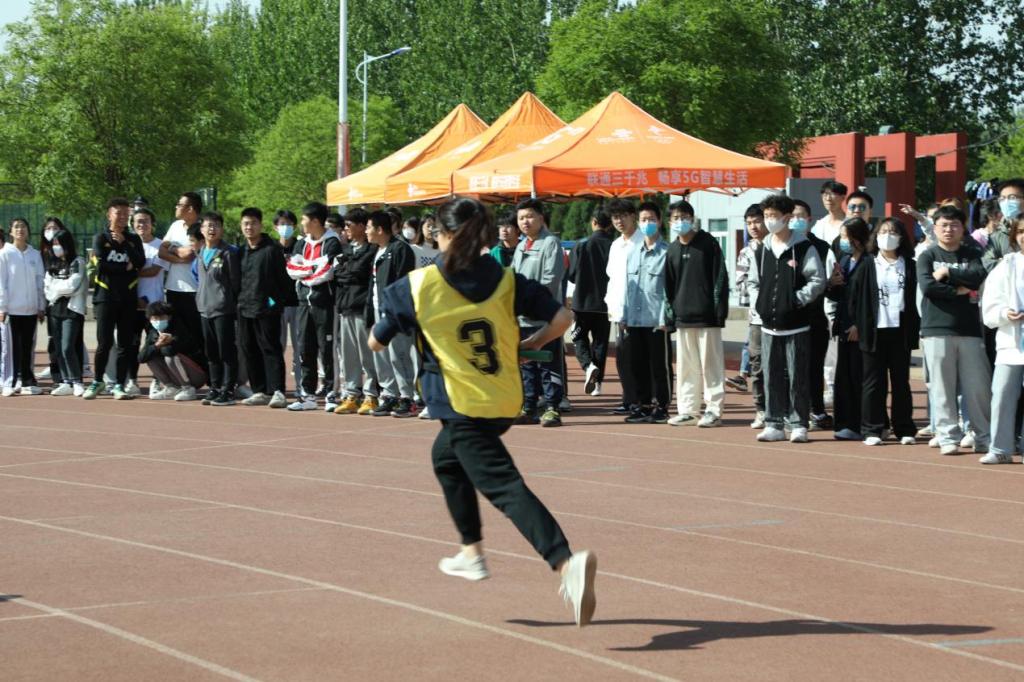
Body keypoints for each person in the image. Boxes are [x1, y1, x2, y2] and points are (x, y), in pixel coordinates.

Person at [367, 197, 597, 627]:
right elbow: (563, 318)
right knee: (445, 459)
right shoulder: (506, 278)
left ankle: (566, 563)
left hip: (460, 402)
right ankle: (471, 551)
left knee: (504, 486)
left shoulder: (419, 285)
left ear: (441, 234)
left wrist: (400, 329)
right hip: (503, 399)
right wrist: (532, 343)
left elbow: (376, 341)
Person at [747, 194, 826, 443]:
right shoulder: (762, 249)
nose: (769, 220)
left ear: (787, 218)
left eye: (774, 216)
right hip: (768, 325)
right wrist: (759, 303)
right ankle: (774, 423)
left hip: (796, 325)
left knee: (797, 376)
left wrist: (796, 300)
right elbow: (753, 281)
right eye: (766, 216)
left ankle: (799, 423)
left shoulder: (803, 247)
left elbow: (817, 280)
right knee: (770, 375)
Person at [917, 205, 991, 456]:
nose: (949, 229)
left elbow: (978, 276)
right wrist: (960, 290)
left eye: (954, 225)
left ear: (963, 228)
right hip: (936, 329)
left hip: (969, 329)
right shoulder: (927, 255)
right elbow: (928, 287)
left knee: (978, 387)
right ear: (935, 228)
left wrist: (948, 272)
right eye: (944, 225)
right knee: (942, 388)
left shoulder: (973, 252)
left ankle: (983, 436)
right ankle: (947, 435)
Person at [848, 218, 919, 446]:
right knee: (873, 382)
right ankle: (873, 429)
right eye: (883, 231)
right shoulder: (867, 264)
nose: (888, 236)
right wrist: (855, 324)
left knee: (901, 382)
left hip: (901, 331)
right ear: (875, 236)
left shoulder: (910, 265)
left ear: (901, 237)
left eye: (893, 232)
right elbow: (854, 297)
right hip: (873, 331)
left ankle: (904, 428)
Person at [664, 199, 728, 427]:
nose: (680, 221)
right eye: (675, 218)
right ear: (669, 222)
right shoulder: (672, 250)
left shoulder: (708, 244)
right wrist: (670, 317)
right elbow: (668, 286)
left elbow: (720, 277)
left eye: (684, 217)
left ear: (692, 219)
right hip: (683, 318)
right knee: (686, 367)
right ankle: (688, 410)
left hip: (707, 317)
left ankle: (713, 410)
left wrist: (719, 311)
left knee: (711, 366)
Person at [511, 198, 566, 427]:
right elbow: (513, 279)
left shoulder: (550, 243)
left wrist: (534, 304)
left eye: (530, 216)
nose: (525, 221)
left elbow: (550, 280)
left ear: (541, 219)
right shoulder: (521, 245)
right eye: (521, 218)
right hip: (522, 318)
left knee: (548, 364)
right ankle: (529, 407)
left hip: (545, 317)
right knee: (527, 364)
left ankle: (553, 408)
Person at [85, 198, 146, 400]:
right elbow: (101, 265)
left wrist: (125, 245)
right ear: (109, 214)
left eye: (125, 214)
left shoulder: (133, 239)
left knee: (125, 344)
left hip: (128, 298)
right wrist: (125, 268)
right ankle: (98, 381)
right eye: (118, 213)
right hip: (105, 297)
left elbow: (140, 262)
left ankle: (120, 384)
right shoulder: (100, 238)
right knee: (104, 342)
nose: (122, 217)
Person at [286, 202, 343, 411]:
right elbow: (291, 268)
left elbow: (327, 272)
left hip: (325, 304)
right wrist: (311, 269)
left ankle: (331, 394)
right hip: (303, 303)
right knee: (305, 348)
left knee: (327, 350)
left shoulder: (333, 243)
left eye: (304, 219)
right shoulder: (301, 243)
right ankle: (307, 395)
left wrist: (306, 272)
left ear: (316, 221)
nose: (302, 223)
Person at [237, 207, 295, 409]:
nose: (249, 227)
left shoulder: (272, 250)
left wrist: (273, 303)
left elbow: (283, 281)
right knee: (249, 350)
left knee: (271, 349)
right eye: (246, 223)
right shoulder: (241, 251)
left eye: (253, 223)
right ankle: (259, 390)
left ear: (261, 225)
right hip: (245, 308)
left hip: (267, 309)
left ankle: (277, 390)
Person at [619, 201, 671, 424]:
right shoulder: (632, 252)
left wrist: (666, 317)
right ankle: (643, 405)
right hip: (634, 319)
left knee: (659, 366)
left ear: (659, 222)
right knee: (637, 365)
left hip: (657, 320)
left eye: (651, 219)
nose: (647, 223)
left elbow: (670, 289)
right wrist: (624, 315)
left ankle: (662, 406)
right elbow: (628, 287)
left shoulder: (667, 252)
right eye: (643, 220)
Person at [979, 214, 1024, 464]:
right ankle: (1000, 448)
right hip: (1011, 343)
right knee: (1002, 394)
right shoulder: (1006, 265)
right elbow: (990, 306)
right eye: (1021, 231)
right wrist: (1005, 314)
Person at [364, 209, 417, 416]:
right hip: (378, 309)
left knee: (399, 354)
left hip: (395, 312)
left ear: (380, 229)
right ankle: (389, 394)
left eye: (369, 227)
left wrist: (397, 310)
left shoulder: (400, 249)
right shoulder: (377, 251)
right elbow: (373, 284)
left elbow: (403, 282)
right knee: (382, 355)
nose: (366, 231)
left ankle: (407, 397)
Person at [825, 217, 871, 440]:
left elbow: (870, 298)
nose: (842, 241)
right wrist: (831, 284)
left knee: (859, 377)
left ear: (857, 239)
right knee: (843, 377)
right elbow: (837, 294)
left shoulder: (870, 262)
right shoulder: (844, 260)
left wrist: (859, 324)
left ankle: (863, 424)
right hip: (843, 325)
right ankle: (844, 423)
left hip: (860, 328)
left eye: (846, 237)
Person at [332, 208, 380, 415]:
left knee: (367, 353)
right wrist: (346, 271)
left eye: (349, 225)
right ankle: (352, 393)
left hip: (362, 308)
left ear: (361, 226)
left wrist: (346, 271)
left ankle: (371, 394)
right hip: (345, 307)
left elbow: (358, 273)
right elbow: (338, 274)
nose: (346, 229)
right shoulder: (346, 249)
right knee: (349, 354)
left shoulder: (372, 250)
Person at [792, 199, 833, 431]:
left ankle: (817, 409)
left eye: (801, 216)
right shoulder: (782, 245)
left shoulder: (822, 247)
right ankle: (794, 411)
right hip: (790, 318)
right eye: (792, 216)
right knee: (793, 367)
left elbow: (828, 281)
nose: (796, 220)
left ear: (809, 219)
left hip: (816, 317)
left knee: (815, 366)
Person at [196, 211, 241, 406]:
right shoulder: (200, 252)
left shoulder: (228, 252)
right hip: (204, 308)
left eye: (216, 225)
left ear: (222, 229)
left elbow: (235, 282)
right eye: (208, 225)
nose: (211, 229)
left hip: (223, 309)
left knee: (226, 351)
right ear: (201, 229)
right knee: (211, 352)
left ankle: (228, 389)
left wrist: (231, 302)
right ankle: (214, 387)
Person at [604, 199, 645, 415]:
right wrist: (612, 306)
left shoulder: (643, 242)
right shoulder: (615, 245)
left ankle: (643, 399)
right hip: (619, 311)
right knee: (622, 357)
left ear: (633, 216)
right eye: (615, 217)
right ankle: (629, 398)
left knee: (640, 358)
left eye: (623, 216)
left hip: (642, 312)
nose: (619, 221)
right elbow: (613, 278)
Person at [567, 206, 613, 397]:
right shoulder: (614, 245)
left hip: (582, 302)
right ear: (610, 225)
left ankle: (588, 366)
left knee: (578, 337)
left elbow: (571, 275)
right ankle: (598, 383)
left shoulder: (581, 245)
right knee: (601, 343)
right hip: (606, 303)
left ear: (593, 222)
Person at [0, 218, 45, 396]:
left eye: (23, 227)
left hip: (31, 310)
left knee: (28, 347)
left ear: (28, 231)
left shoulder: (35, 254)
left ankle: (27, 380)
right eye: (16, 227)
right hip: (11, 310)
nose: (20, 230)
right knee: (10, 349)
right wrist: (2, 307)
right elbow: (1, 283)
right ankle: (8, 382)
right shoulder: (4, 254)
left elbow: (40, 281)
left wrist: (40, 305)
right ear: (11, 232)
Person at [127, 207, 168, 396]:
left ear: (153, 224)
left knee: (155, 344)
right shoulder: (128, 245)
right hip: (132, 304)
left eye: (145, 221)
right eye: (138, 221)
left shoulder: (161, 246)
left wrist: (128, 271)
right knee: (132, 344)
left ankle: (157, 380)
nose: (142, 225)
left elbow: (154, 271)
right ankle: (132, 380)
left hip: (154, 305)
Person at [43, 225, 88, 396]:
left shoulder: (78, 262)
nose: (55, 247)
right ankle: (66, 381)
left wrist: (56, 287)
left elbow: (73, 286)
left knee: (68, 347)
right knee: (58, 348)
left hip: (72, 311)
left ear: (66, 243)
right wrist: (57, 289)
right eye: (54, 243)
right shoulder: (53, 263)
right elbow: (47, 287)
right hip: (55, 310)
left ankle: (77, 381)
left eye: (58, 243)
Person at [158, 192, 204, 346]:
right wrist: (178, 257)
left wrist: (172, 248)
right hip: (173, 288)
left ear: (190, 208)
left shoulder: (202, 227)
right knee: (176, 333)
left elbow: (190, 254)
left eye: (179, 204)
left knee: (196, 333)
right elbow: (161, 251)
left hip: (195, 290)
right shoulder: (175, 226)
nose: (176, 207)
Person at [141, 301, 207, 401]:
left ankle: (188, 389)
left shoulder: (178, 329)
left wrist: (169, 341)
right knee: (150, 358)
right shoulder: (152, 333)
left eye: (162, 318)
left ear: (169, 317)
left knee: (170, 357)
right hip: (175, 377)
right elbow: (141, 357)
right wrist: (157, 345)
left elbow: (170, 351)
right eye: (155, 318)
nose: (158, 321)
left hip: (196, 375)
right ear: (150, 319)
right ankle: (171, 388)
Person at [738, 205, 767, 427]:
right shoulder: (745, 252)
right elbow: (742, 283)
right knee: (757, 364)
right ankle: (761, 409)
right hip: (757, 317)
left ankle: (782, 408)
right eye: (749, 223)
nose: (753, 227)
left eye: (757, 221)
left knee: (781, 365)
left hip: (780, 317)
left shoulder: (777, 247)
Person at [273, 210, 302, 395]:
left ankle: (302, 387)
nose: (285, 227)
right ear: (275, 227)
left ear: (295, 226)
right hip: (278, 306)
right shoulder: (271, 248)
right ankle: (278, 387)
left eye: (289, 224)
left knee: (300, 348)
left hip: (298, 303)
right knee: (278, 347)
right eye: (282, 224)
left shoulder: (301, 246)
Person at [811, 180, 848, 245]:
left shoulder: (850, 223)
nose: (828, 199)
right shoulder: (819, 225)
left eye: (833, 194)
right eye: (825, 195)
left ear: (843, 197)